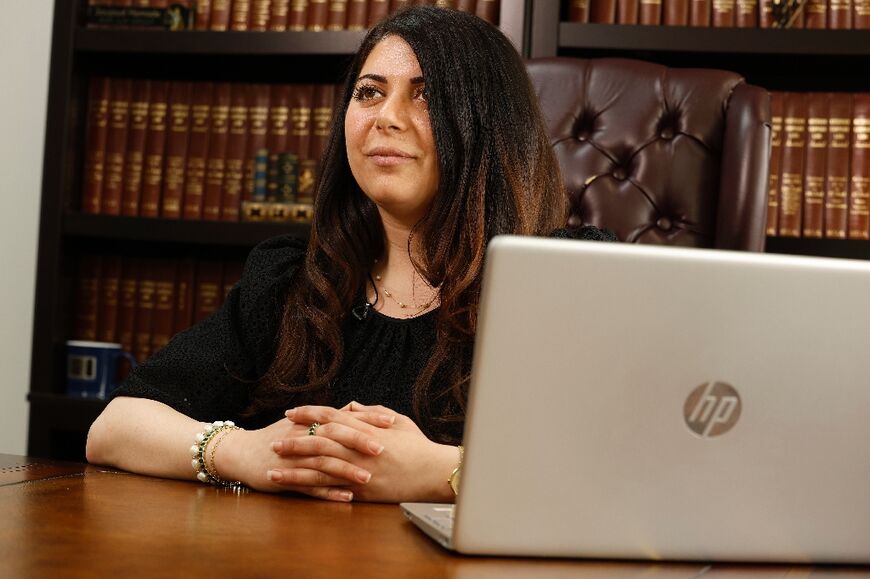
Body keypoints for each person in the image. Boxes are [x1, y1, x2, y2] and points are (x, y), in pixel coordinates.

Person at [86, 6, 615, 503]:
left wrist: (439, 471)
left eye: (426, 95)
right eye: (369, 92)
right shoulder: (294, 279)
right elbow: (113, 428)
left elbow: (621, 473)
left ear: (488, 125)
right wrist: (242, 452)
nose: (387, 117)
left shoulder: (567, 276)